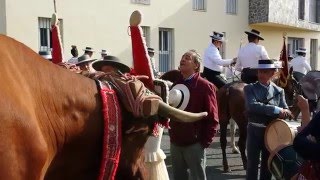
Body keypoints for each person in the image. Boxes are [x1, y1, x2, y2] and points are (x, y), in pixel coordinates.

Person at [169, 49, 219, 180]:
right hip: (175, 143)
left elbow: (213, 119)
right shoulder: (175, 85)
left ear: (196, 65)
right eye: (182, 57)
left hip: (195, 144)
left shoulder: (206, 86)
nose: (183, 59)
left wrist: (203, 143)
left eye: (187, 58)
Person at [244, 59, 292, 180]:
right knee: (252, 166)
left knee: (268, 166)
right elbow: (252, 106)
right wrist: (276, 110)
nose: (261, 74)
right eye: (260, 71)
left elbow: (286, 109)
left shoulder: (279, 90)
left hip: (272, 133)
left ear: (272, 73)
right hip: (254, 130)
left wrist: (284, 113)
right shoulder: (249, 88)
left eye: (265, 72)